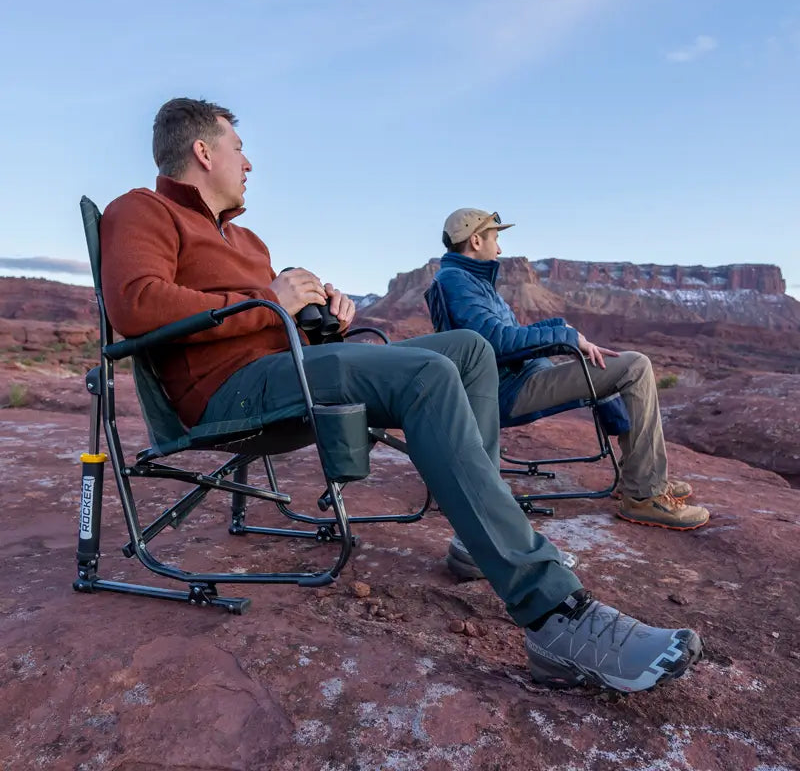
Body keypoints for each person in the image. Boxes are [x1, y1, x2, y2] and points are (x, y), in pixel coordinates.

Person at [99, 97, 703, 694]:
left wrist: (322, 315)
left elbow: (271, 319)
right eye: (238, 148)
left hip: (293, 366)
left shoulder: (248, 241)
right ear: (203, 152)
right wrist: (273, 302)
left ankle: (481, 538)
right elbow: (136, 305)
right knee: (426, 376)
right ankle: (554, 616)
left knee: (466, 348)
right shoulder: (142, 210)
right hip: (230, 393)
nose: (249, 163)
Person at [432, 208, 711, 534]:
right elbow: (496, 342)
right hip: (508, 391)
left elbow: (505, 334)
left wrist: (561, 327)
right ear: (476, 239)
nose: (500, 249)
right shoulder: (458, 281)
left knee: (602, 361)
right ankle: (643, 494)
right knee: (635, 365)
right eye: (495, 238)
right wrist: (566, 337)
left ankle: (640, 472)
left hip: (516, 377)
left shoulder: (469, 280)